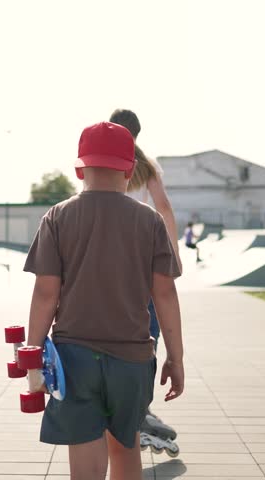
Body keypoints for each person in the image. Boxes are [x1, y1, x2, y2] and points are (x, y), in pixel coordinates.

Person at [24, 121, 184, 479]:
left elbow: (45, 294)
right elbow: (165, 294)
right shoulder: (150, 222)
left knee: (84, 453)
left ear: (80, 168)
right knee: (125, 447)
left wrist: (32, 352)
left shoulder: (57, 217)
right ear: (130, 170)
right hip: (132, 359)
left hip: (75, 359)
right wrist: (176, 357)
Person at [109, 108, 180, 451]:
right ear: (136, 135)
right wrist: (174, 253)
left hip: (110, 263)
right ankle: (139, 405)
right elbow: (164, 207)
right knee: (148, 332)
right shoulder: (147, 166)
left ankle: (126, 406)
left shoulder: (102, 161)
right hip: (145, 260)